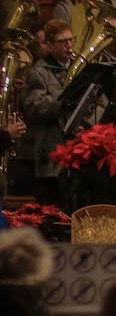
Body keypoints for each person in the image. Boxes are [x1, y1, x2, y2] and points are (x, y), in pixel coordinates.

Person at [21, 18, 73, 202]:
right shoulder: (39, 72)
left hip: (76, 149)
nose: (69, 45)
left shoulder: (78, 67)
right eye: (63, 41)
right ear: (50, 46)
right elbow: (34, 107)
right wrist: (64, 100)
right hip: (51, 152)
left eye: (70, 40)